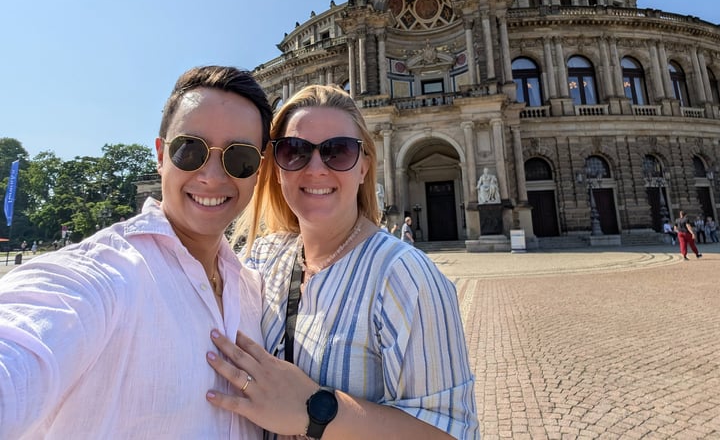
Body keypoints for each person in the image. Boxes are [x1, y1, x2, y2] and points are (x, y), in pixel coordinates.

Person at [0, 65, 273, 438]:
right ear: (161, 155)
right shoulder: (105, 274)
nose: (212, 176)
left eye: (239, 157)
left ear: (258, 169)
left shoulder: (254, 289)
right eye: (189, 149)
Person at [211, 84, 478, 439]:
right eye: (294, 152)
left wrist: (313, 409)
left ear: (365, 166)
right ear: (276, 168)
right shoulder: (262, 262)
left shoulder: (405, 278)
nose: (316, 168)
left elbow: (452, 432)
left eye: (337, 152)